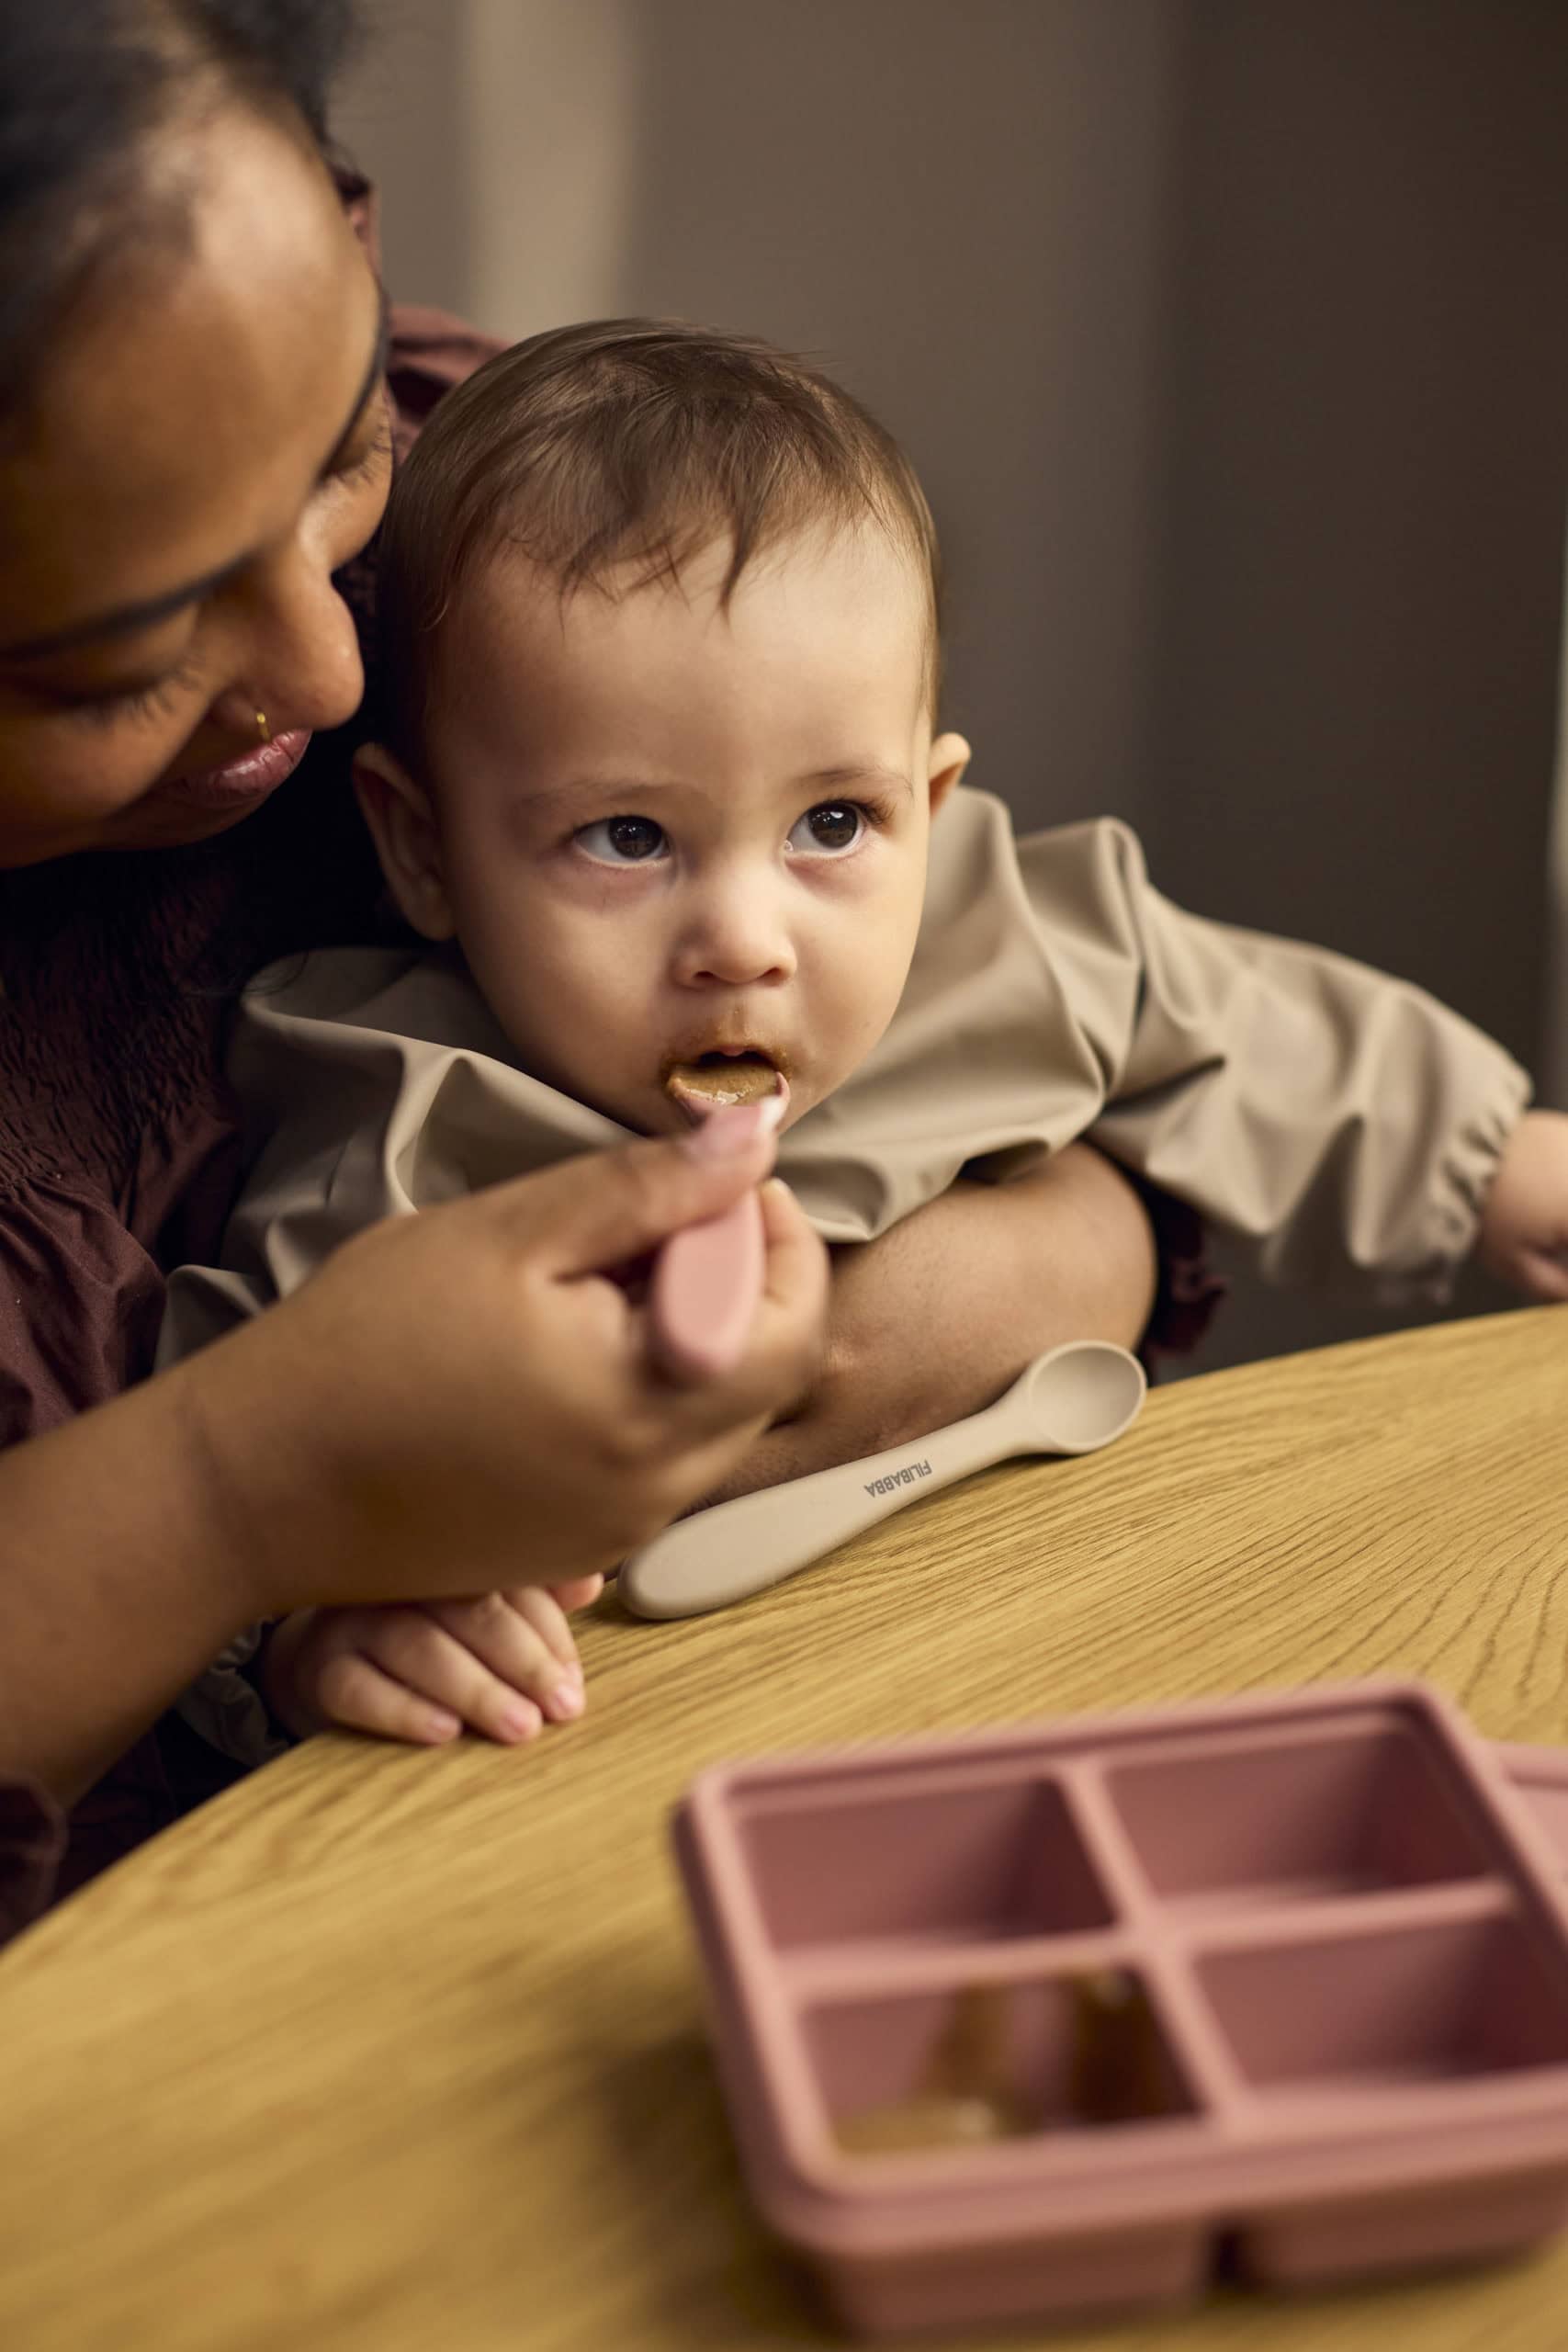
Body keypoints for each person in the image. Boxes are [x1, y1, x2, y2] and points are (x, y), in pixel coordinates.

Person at [0, 8, 1166, 1938]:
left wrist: (920, 1302)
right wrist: (254, 1509)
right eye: (112, 661)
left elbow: (1106, 1148)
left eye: (338, 457)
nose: (328, 663)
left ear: (352, 232)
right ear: (412, 849)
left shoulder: (503, 502)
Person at [155, 318, 1568, 1753]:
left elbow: (1233, 1023)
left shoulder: (994, 941)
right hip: (675, 1739)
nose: (747, 941)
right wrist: (321, 1627)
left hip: (1076, 1612)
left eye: (834, 824)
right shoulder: (397, 1139)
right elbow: (235, 1466)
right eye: (629, 836)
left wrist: (1487, 1159)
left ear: (933, 813)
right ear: (425, 852)